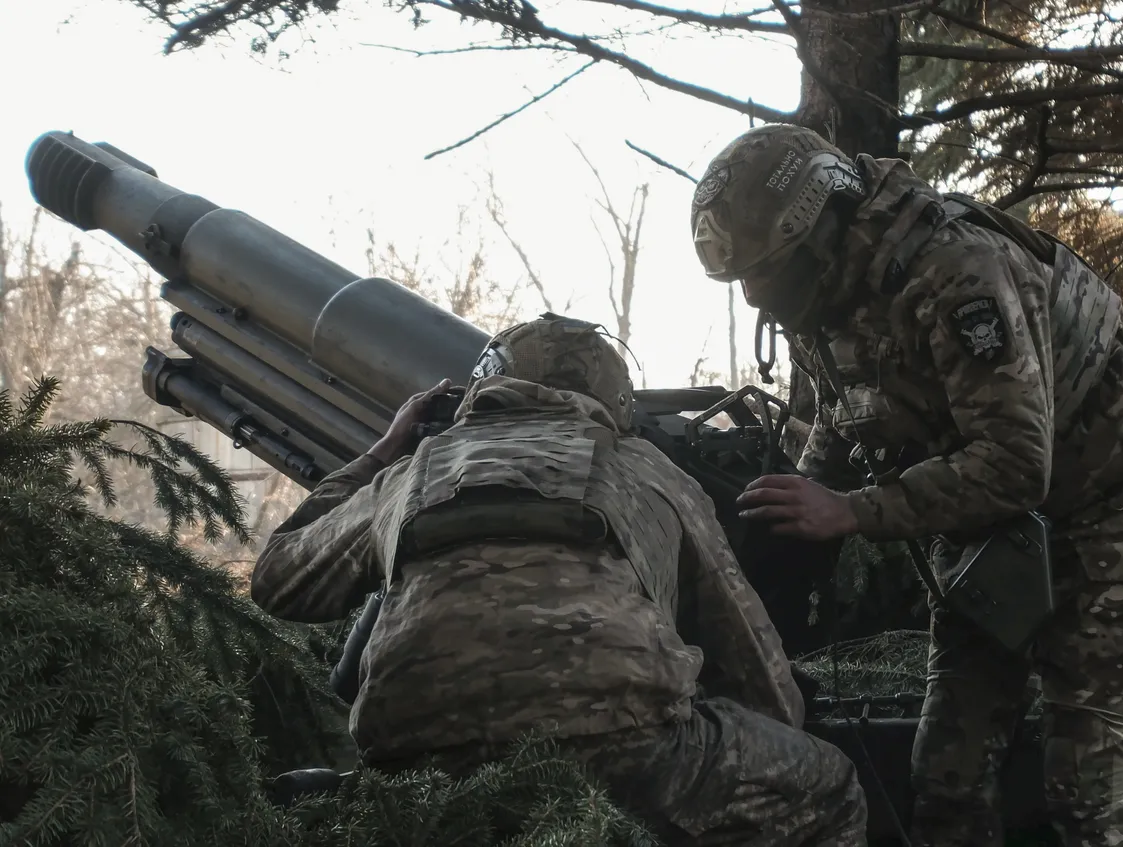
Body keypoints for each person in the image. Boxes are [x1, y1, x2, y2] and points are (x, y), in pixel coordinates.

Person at [688, 123, 1123, 847]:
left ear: (820, 228)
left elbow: (1015, 461)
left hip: (1100, 507)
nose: (758, 294)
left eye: (769, 270)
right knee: (947, 774)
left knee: (1088, 779)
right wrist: (792, 508)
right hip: (988, 530)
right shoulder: (828, 294)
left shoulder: (955, 271)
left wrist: (851, 512)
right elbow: (841, 411)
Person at [250, 313, 868, 847]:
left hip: (415, 761)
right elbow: (742, 640)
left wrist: (382, 451)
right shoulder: (647, 469)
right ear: (616, 397)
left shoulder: (414, 471)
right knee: (829, 785)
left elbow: (279, 580)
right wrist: (773, 727)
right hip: (623, 744)